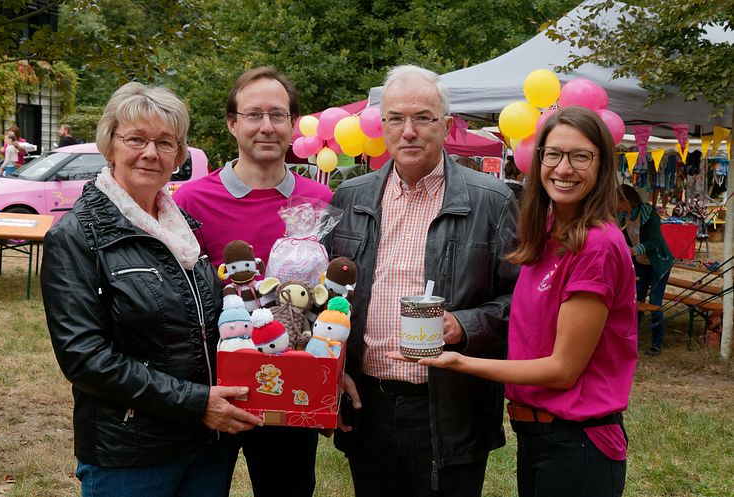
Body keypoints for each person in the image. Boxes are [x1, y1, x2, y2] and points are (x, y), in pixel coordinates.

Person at [394, 106, 637, 497]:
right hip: (538, 435)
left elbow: (562, 370)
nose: (564, 168)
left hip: (578, 443)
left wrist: (460, 362)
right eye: (553, 154)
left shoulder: (597, 246)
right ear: (538, 160)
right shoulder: (546, 232)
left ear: (602, 165)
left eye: (581, 156)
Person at [41, 82, 264, 497]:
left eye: (165, 142)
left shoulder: (184, 230)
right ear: (110, 145)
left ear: (178, 156)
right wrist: (197, 402)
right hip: (133, 453)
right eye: (136, 139)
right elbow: (84, 357)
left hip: (206, 445)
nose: (150, 153)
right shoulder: (76, 235)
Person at [324, 64, 520, 497]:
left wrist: (465, 324)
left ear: (447, 126)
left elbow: (520, 299)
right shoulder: (350, 198)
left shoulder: (491, 200)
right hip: (367, 401)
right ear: (383, 126)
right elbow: (330, 297)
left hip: (449, 406)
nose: (408, 131)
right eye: (396, 118)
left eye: (423, 117)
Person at [174, 66, 332, 497]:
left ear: (294, 124)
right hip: (214, 388)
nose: (267, 126)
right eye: (253, 114)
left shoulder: (320, 202)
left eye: (278, 115)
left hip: (291, 386)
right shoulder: (190, 201)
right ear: (232, 123)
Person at [618, 183, 674, 355]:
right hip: (641, 263)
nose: (614, 204)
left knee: (655, 304)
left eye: (617, 201)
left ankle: (656, 343)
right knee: (637, 300)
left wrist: (634, 250)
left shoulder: (649, 216)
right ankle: (633, 338)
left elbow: (655, 243)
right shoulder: (622, 216)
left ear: (626, 200)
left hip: (658, 263)